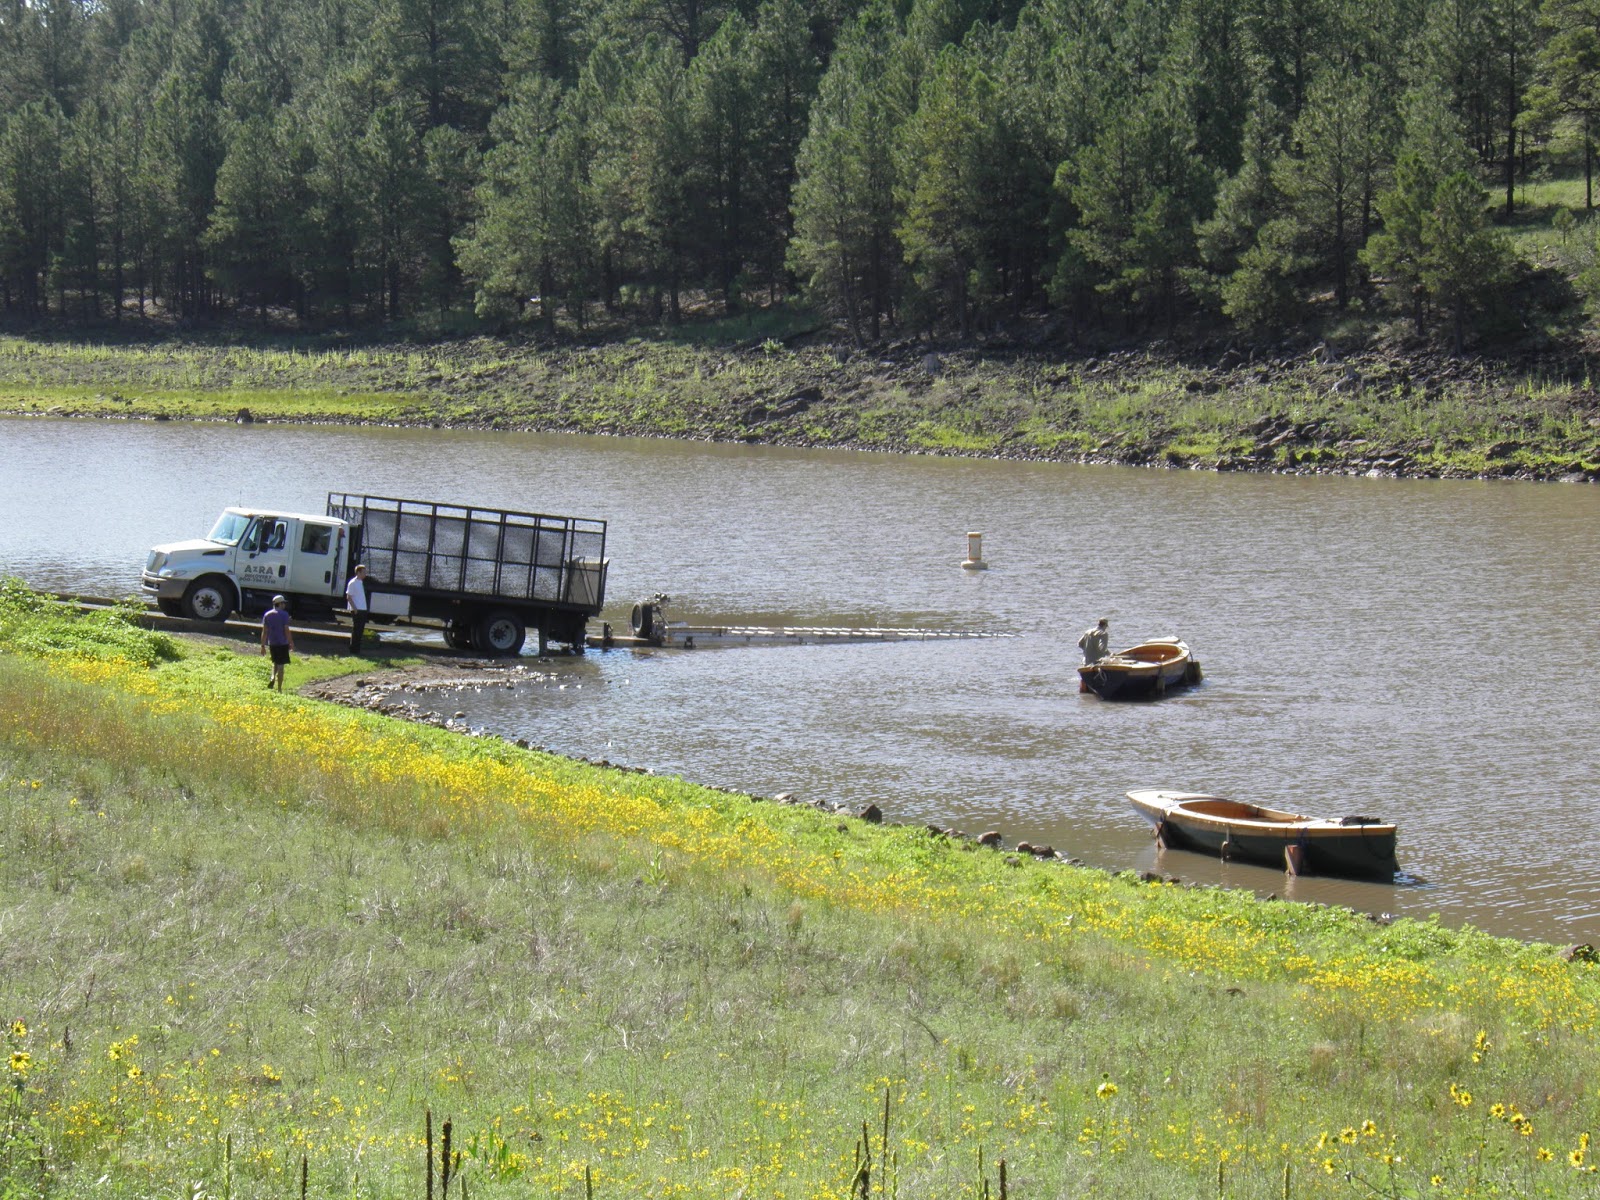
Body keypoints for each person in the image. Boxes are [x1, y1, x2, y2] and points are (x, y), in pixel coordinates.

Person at [260, 595, 294, 690]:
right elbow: (286, 630)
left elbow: (265, 631)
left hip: (272, 643)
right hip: (282, 643)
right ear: (280, 604)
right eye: (283, 603)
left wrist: (263, 645)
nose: (284, 605)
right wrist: (291, 642)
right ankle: (279, 689)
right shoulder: (284, 615)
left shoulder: (267, 615)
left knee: (275, 662)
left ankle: (272, 677)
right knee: (281, 667)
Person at [345, 563, 370, 655]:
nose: (365, 574)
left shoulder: (361, 582)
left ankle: (357, 650)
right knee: (356, 630)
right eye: (363, 572)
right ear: (358, 573)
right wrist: (355, 609)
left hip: (362, 609)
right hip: (357, 610)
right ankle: (353, 650)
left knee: (360, 631)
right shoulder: (353, 583)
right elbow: (349, 597)